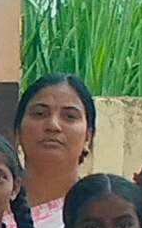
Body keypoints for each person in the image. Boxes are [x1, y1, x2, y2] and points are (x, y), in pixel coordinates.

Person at [12, 74, 98, 219]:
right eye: (40, 114)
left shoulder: (101, 211)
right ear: (17, 132)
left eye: (70, 116)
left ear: (88, 137)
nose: (53, 125)